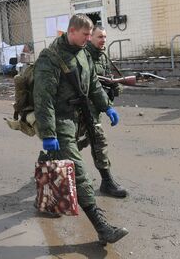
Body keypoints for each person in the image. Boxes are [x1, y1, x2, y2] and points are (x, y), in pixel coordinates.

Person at [33, 14, 128, 245]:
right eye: (85, 34)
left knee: (55, 157)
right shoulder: (50, 58)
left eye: (90, 34)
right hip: (61, 119)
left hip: (81, 115)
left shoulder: (83, 51)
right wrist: (48, 133)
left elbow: (93, 83)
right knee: (77, 169)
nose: (89, 39)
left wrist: (107, 107)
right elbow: (43, 99)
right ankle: (102, 227)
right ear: (72, 31)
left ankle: (44, 199)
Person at [84, 26, 128, 198]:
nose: (103, 40)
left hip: (96, 108)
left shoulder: (102, 56)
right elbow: (90, 86)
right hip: (83, 109)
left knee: (85, 142)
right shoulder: (84, 56)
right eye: (99, 37)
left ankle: (106, 181)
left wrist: (116, 87)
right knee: (96, 141)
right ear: (90, 38)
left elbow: (108, 79)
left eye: (105, 37)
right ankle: (107, 181)